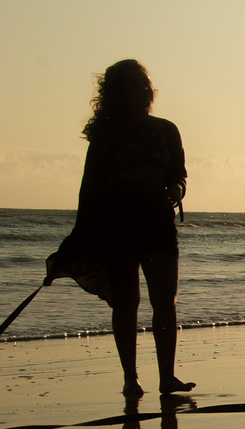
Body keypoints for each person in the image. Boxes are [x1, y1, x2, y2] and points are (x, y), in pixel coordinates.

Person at [53, 59, 194, 396]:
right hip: (118, 226)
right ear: (118, 91)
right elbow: (92, 186)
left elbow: (179, 173)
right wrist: (129, 178)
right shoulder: (106, 134)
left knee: (165, 302)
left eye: (144, 82)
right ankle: (131, 378)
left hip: (158, 224)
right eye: (132, 83)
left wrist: (175, 191)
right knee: (127, 303)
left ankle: (166, 377)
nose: (142, 88)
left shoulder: (166, 129)